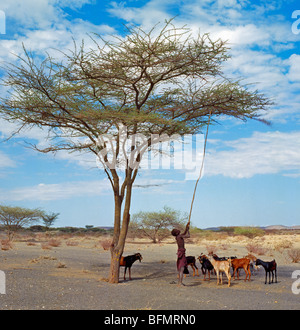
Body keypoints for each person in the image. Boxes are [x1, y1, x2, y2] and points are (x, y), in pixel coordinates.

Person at [171, 222, 190, 286]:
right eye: (177, 230)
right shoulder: (179, 236)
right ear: (176, 233)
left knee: (180, 268)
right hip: (181, 253)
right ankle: (180, 283)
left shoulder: (178, 236)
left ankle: (180, 282)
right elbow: (188, 236)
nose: (178, 230)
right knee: (181, 269)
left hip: (180, 252)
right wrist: (188, 231)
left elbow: (184, 233)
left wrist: (186, 227)